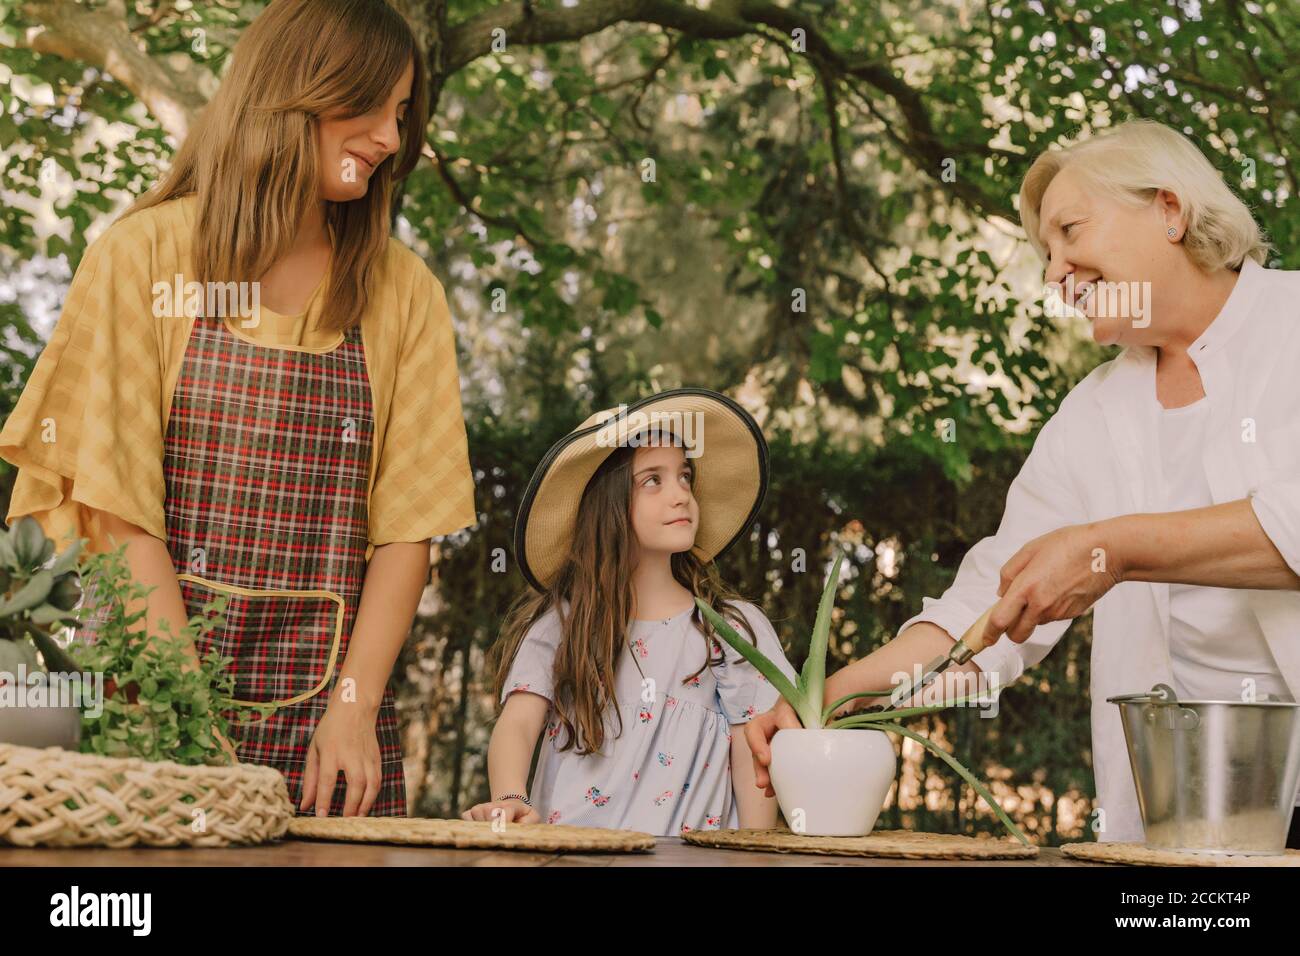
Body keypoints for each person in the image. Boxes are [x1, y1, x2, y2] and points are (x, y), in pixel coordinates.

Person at [746, 119, 1300, 847]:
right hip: (1177, 814)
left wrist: (1111, 548)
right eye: (1046, 252)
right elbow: (992, 603)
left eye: (1071, 230)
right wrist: (837, 692)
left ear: (1170, 210)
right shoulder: (1092, 414)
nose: (1053, 271)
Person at [0, 0, 477, 817]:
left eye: (402, 115)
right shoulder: (144, 256)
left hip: (330, 734)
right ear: (296, 89)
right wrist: (188, 728)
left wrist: (355, 709)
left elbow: (407, 532)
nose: (392, 139)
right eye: (371, 107)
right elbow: (120, 518)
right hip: (145, 708)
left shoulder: (407, 295)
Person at [462, 388, 797, 835]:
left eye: (685, 476)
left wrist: (755, 851)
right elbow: (518, 723)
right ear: (608, 506)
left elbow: (754, 745)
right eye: (652, 480)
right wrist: (510, 799)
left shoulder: (730, 629)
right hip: (570, 856)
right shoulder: (565, 623)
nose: (681, 495)